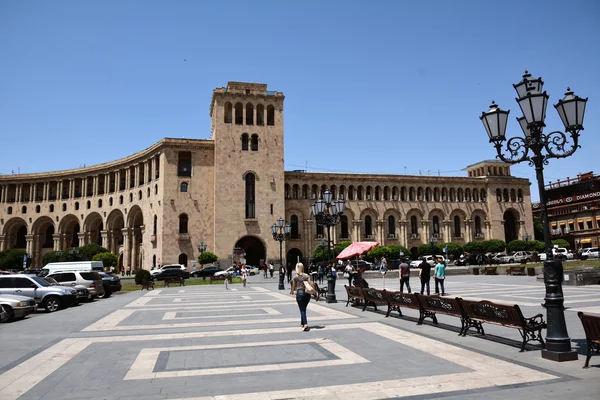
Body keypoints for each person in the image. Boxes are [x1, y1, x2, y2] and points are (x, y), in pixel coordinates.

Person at [290, 262, 313, 331]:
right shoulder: (306, 276)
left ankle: (305, 324)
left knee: (302, 309)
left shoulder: (295, 277)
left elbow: (293, 287)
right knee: (303, 308)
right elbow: (311, 284)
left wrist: (292, 291)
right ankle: (302, 323)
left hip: (299, 293)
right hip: (307, 293)